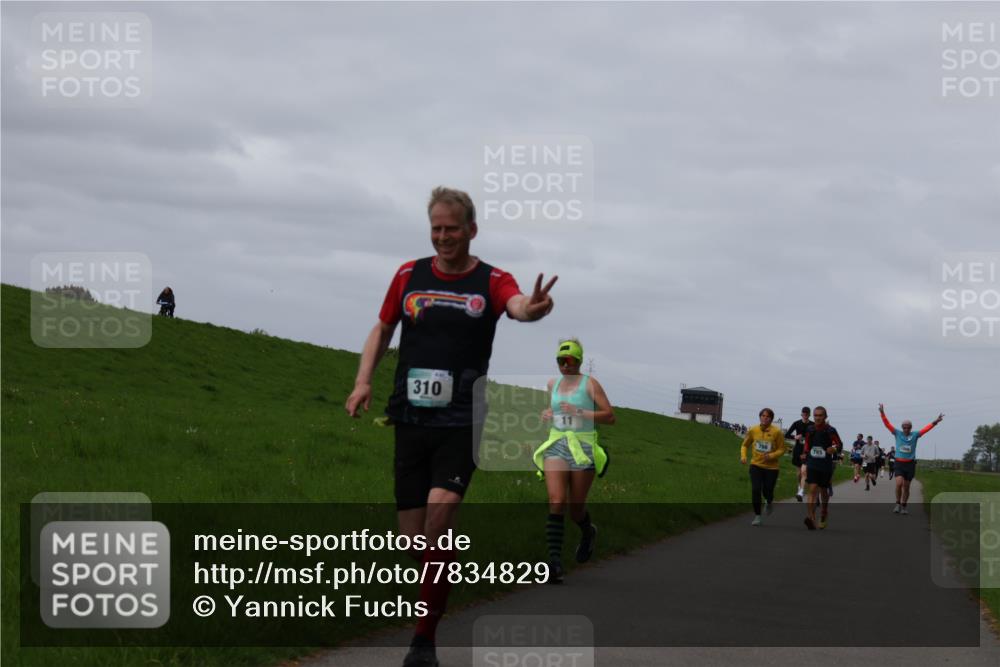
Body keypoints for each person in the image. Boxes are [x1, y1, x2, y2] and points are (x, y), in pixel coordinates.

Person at [345, 187, 557, 667]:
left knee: (439, 526)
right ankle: (433, 596)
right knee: (412, 540)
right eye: (436, 228)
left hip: (463, 419)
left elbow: (518, 304)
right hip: (410, 417)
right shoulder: (408, 274)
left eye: (452, 229)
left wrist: (535, 308)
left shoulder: (492, 279)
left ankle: (424, 640)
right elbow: (382, 329)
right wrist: (363, 382)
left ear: (471, 230)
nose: (443, 237)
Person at [534, 338, 615, 582]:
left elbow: (610, 416)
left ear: (579, 361)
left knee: (575, 509)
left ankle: (588, 532)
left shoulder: (590, 384)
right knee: (556, 501)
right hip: (556, 444)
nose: (565, 366)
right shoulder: (552, 384)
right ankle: (554, 564)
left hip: (583, 447)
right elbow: (557, 411)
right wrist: (548, 414)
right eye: (561, 361)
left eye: (570, 361)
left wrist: (579, 412)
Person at [878, 404, 943, 515]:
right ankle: (897, 504)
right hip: (899, 463)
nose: (906, 429)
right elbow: (887, 424)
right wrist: (882, 413)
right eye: (904, 427)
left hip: (910, 464)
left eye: (908, 427)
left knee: (906, 487)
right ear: (902, 427)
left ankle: (904, 506)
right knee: (899, 484)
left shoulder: (915, 435)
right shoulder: (897, 433)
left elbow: (926, 429)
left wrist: (935, 422)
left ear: (911, 428)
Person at [740, 408, 787, 526]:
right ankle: (757, 516)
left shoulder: (777, 432)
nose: (765, 418)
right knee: (756, 490)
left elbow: (782, 449)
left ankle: (769, 501)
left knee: (768, 491)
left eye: (768, 416)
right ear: (760, 417)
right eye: (763, 416)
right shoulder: (753, 430)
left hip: (772, 468)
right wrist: (743, 456)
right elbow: (745, 445)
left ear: (771, 419)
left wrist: (771, 455)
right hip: (756, 465)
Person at [802, 406, 843, 530]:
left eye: (820, 415)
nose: (817, 417)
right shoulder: (810, 429)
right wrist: (805, 454)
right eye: (815, 415)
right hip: (813, 463)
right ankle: (811, 518)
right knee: (812, 489)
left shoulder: (830, 430)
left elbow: (840, 444)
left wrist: (834, 449)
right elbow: (807, 444)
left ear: (825, 416)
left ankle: (824, 512)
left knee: (824, 491)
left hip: (825, 465)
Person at [785, 407, 812, 501]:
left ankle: (801, 491)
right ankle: (799, 486)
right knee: (799, 473)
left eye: (807, 414)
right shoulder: (796, 423)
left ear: (809, 415)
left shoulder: (812, 425)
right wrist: (795, 437)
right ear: (801, 414)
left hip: (808, 451)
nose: (805, 415)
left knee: (804, 471)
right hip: (798, 450)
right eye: (803, 414)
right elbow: (786, 435)